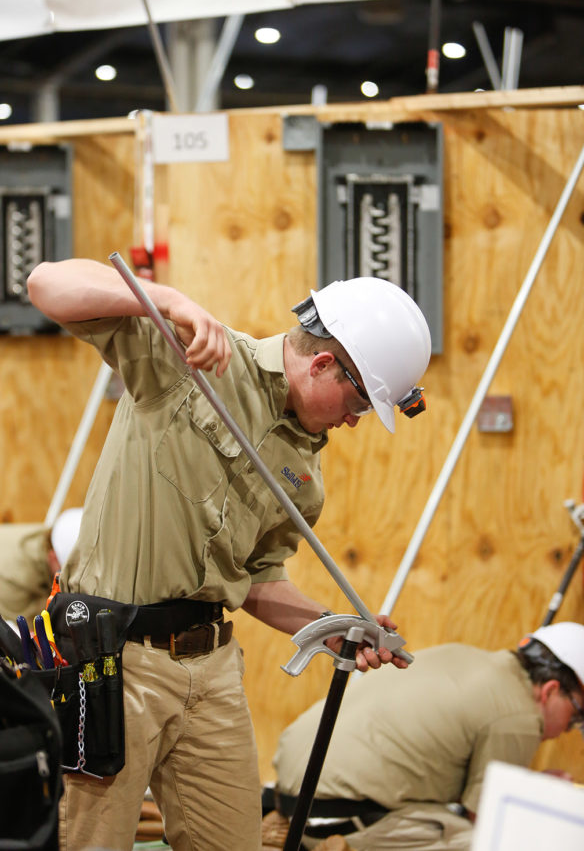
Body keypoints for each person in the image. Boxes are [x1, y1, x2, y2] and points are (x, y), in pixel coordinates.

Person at [26, 257, 431, 851]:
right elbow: (44, 285)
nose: (354, 421)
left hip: (211, 672)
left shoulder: (305, 473)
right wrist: (167, 300)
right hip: (115, 661)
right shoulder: (191, 358)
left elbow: (257, 580)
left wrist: (333, 629)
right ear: (324, 363)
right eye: (362, 404)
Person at [271, 621, 584, 851]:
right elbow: (488, 816)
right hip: (328, 816)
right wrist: (543, 797)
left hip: (291, 791)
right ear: (551, 690)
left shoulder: (468, 656)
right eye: (576, 714)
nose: (568, 729)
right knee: (501, 843)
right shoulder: (520, 715)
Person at [0, 507, 83, 628]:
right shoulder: (13, 580)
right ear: (53, 557)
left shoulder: (53, 535)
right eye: (71, 572)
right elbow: (30, 636)